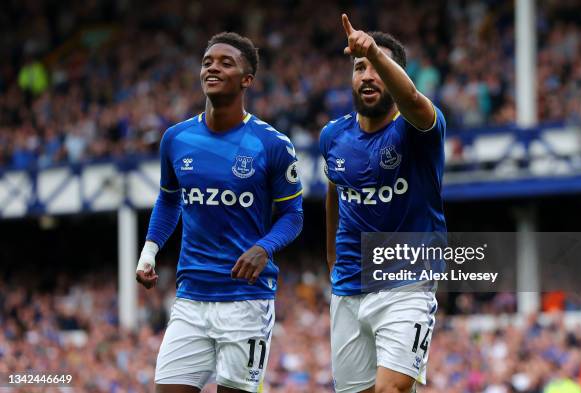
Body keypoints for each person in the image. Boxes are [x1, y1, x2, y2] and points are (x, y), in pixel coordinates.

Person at [136, 32, 303, 393]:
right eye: (208, 61)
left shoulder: (272, 144)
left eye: (226, 62)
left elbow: (293, 215)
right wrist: (150, 250)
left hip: (246, 300)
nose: (213, 66)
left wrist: (265, 247)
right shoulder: (175, 138)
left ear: (247, 80)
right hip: (190, 297)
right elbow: (169, 199)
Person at [319, 15, 447, 393]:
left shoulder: (420, 127)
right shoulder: (333, 136)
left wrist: (372, 49)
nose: (367, 75)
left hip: (407, 283)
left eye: (377, 68)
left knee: (390, 389)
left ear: (395, 75)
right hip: (348, 288)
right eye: (360, 68)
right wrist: (331, 257)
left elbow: (410, 98)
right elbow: (334, 191)